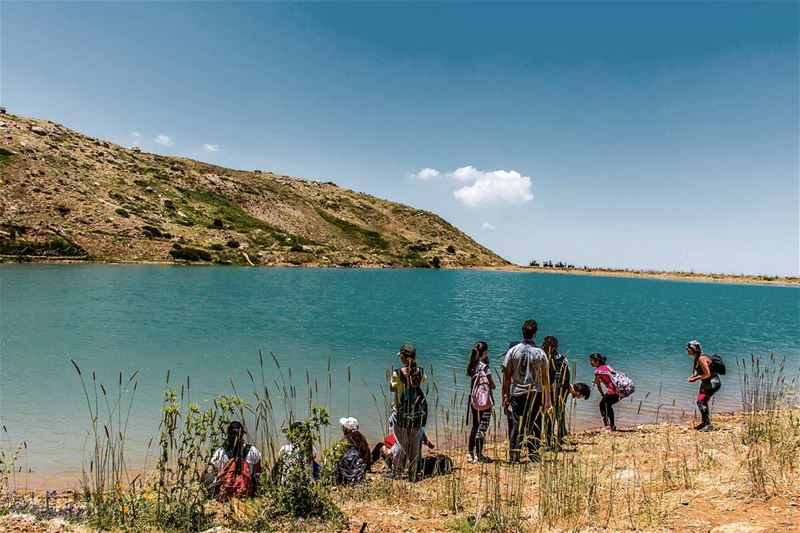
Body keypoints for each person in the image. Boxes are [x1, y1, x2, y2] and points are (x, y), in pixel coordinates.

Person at [501, 320, 552, 462]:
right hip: (535, 392)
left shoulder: (512, 351)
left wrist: (506, 395)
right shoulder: (540, 353)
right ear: (535, 334)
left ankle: (514, 453)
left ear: (522, 331)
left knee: (517, 424)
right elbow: (546, 379)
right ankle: (533, 453)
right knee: (534, 424)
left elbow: (506, 376)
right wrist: (548, 400)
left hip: (517, 391)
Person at [390, 343, 428, 480]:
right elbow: (421, 382)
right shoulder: (421, 372)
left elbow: (392, 388)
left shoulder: (398, 373)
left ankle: (398, 471)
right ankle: (414, 471)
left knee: (400, 442)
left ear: (403, 357)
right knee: (415, 442)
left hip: (400, 413)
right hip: (417, 414)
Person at [208, 421, 262, 501]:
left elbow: (214, 471)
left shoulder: (220, 451)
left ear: (228, 434)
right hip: (246, 492)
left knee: (208, 475)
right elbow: (258, 470)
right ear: (242, 434)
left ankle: (216, 497)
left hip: (225, 493)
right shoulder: (252, 450)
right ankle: (252, 494)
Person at [466, 340, 495, 463]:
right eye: (486, 352)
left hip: (474, 401)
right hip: (485, 403)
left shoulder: (472, 367)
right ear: (484, 353)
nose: (488, 354)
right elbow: (492, 385)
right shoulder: (485, 367)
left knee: (475, 426)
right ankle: (479, 454)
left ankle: (471, 453)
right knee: (482, 428)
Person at [541, 336, 572, 446]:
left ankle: (550, 440)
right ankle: (559, 437)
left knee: (549, 417)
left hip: (548, 391)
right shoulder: (563, 359)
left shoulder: (543, 358)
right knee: (559, 415)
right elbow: (567, 377)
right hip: (561, 391)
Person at [686, 340, 721, 432]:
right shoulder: (697, 358)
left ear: (694, 349)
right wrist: (694, 375)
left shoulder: (701, 358)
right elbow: (697, 370)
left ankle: (707, 425)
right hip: (705, 384)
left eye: (688, 348)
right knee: (700, 401)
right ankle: (704, 422)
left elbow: (707, 374)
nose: (687, 350)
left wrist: (695, 378)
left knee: (701, 402)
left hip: (712, 383)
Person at [336, 417, 370, 484]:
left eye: (343, 427)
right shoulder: (363, 440)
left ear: (346, 430)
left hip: (347, 477)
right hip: (360, 474)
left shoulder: (344, 442)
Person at [590, 352, 619, 431]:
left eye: (592, 361)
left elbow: (598, 386)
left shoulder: (597, 371)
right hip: (619, 390)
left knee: (602, 405)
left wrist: (602, 394)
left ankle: (607, 426)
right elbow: (610, 378)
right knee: (608, 406)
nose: (590, 363)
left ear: (597, 361)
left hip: (612, 391)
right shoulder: (607, 367)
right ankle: (612, 426)